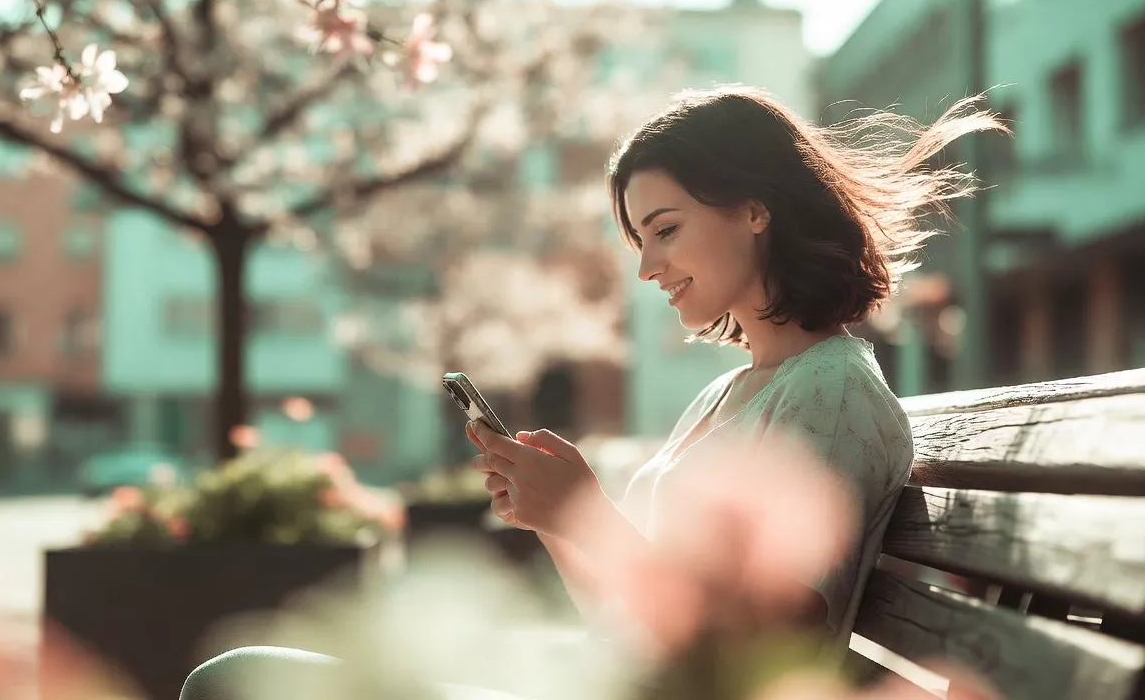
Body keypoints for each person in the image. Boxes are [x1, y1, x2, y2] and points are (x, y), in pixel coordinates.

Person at [180, 86, 1007, 700]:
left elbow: (751, 647)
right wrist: (558, 523)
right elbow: (631, 623)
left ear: (756, 210)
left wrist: (586, 514)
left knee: (237, 680)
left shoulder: (829, 392)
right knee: (241, 673)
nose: (647, 268)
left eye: (667, 230)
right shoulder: (735, 392)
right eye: (639, 240)